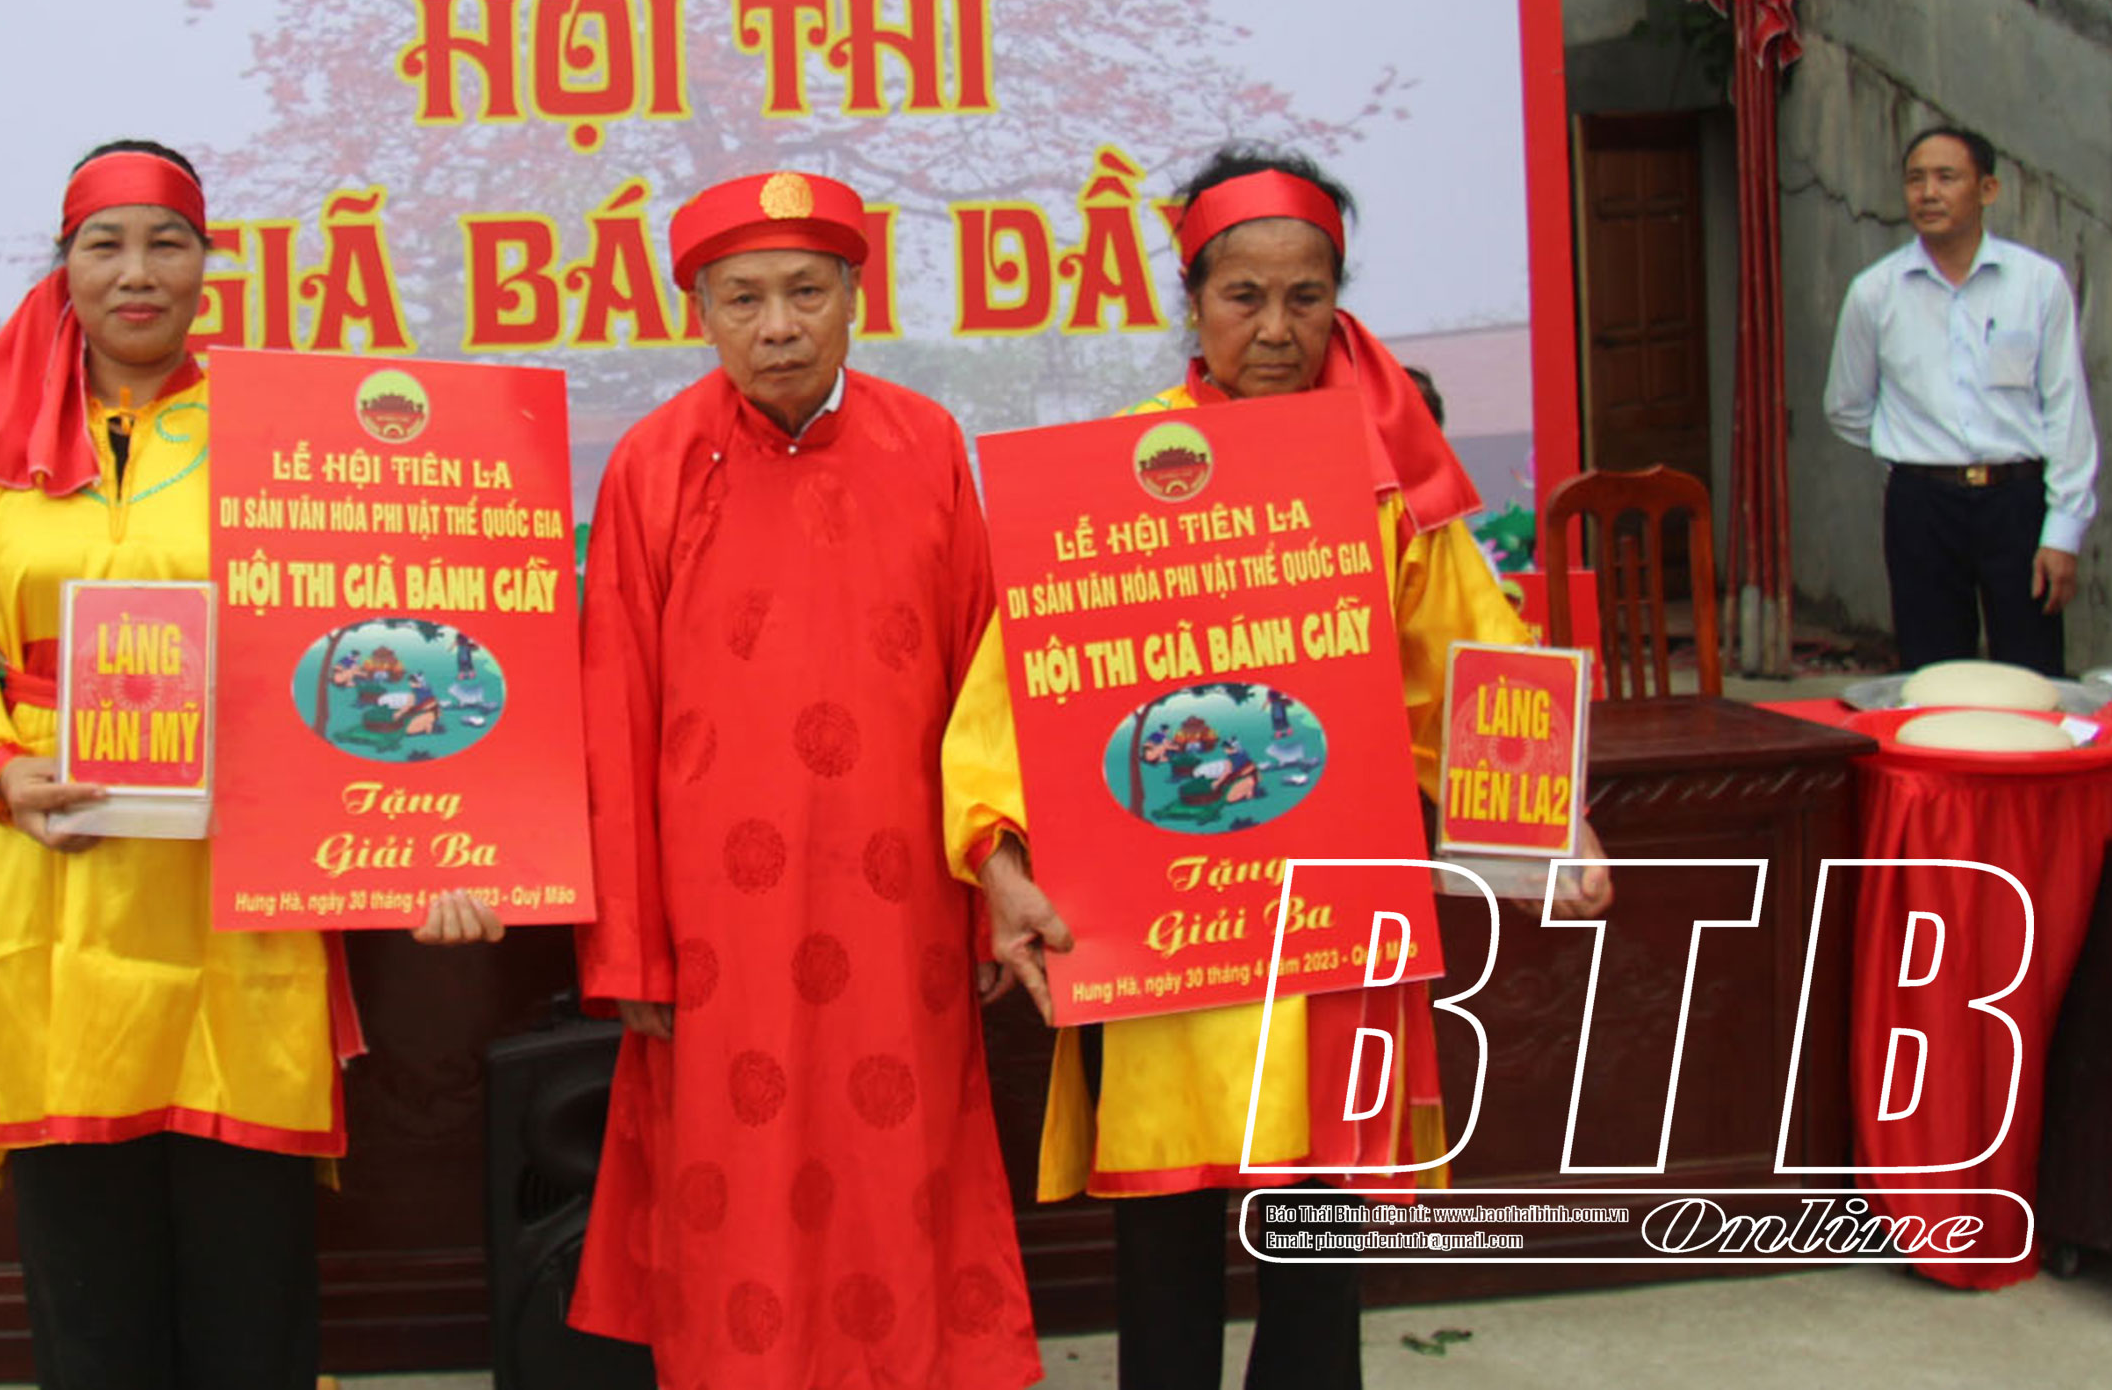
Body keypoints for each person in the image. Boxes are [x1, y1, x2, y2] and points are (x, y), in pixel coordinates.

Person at [940, 147, 1614, 1390]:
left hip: (1334, 917)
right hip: (1162, 924)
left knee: (1318, 1241)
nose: (1275, 328)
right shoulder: (1112, 472)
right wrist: (1001, 858)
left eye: (1307, 297)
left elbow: (1469, 660)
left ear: (1338, 302)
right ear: (1191, 302)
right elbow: (1012, 690)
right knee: (1167, 1237)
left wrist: (1550, 822)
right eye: (1242, 296)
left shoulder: (1384, 475)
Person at [0, 140, 494, 1390]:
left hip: (246, 868)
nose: (137, 272)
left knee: (248, 1256)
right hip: (65, 864)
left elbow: (389, 624)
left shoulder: (287, 435)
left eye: (168, 243)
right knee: (89, 1262)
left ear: (208, 266)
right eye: (106, 245)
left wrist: (437, 839)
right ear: (64, 267)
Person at [569, 170, 1040, 1390]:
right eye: (744, 298)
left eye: (805, 292)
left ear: (854, 298)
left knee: (900, 1171)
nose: (777, 326)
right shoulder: (651, 464)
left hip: (903, 907)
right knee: (736, 1192)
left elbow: (985, 689)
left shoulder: (927, 445)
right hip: (715, 927)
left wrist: (994, 886)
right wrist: (629, 948)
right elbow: (612, 713)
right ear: (700, 313)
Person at [1824, 127, 2098, 676]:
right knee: (1933, 678)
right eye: (1915, 179)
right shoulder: (1875, 292)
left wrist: (2063, 532)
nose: (1928, 193)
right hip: (1922, 507)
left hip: (2017, 501)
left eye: (1946, 178)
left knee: (2033, 675)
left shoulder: (2037, 283)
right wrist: (1912, 448)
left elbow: (2067, 411)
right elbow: (1847, 406)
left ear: (1987, 189)